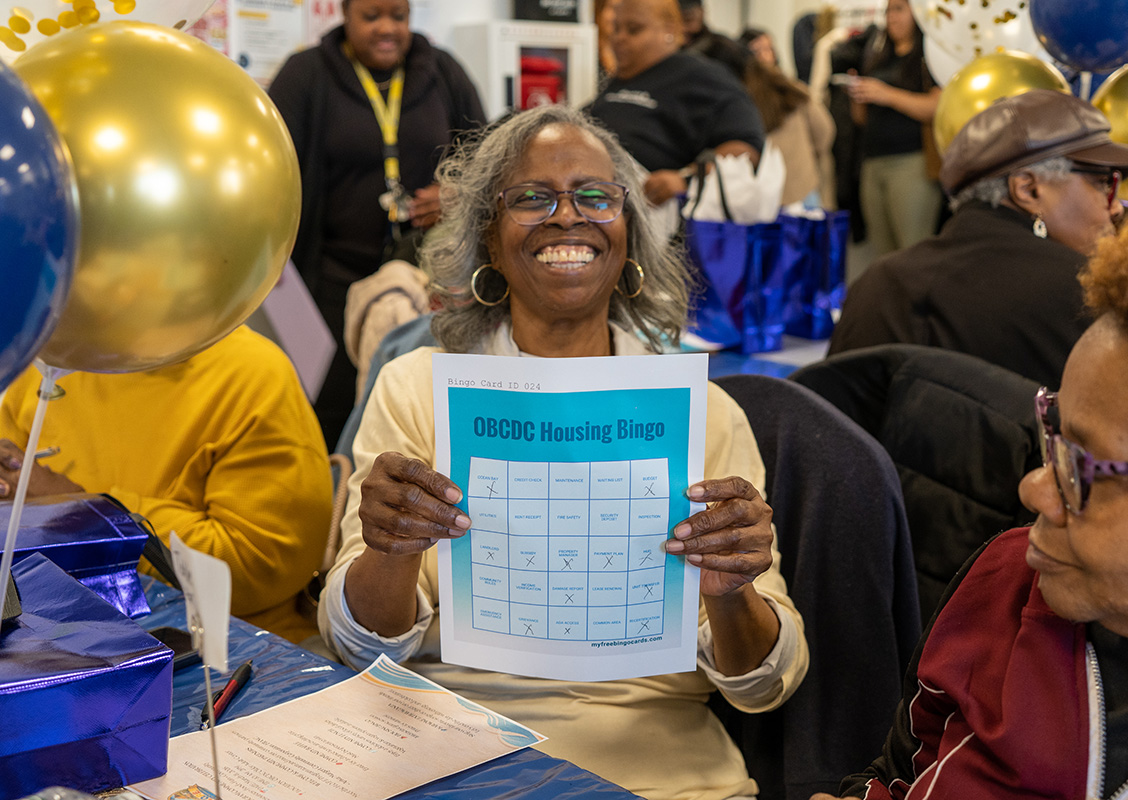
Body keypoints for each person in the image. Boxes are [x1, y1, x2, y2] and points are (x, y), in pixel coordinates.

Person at [317, 104, 808, 800]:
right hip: (447, 757)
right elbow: (355, 647)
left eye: (596, 197)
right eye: (531, 198)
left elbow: (767, 685)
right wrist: (388, 554)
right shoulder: (418, 392)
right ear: (489, 237)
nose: (567, 216)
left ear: (630, 235)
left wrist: (731, 594)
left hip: (656, 769)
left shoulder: (703, 414)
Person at [811, 182, 1128, 800]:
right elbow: (897, 772)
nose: (1033, 487)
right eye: (1054, 435)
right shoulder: (1006, 581)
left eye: (1086, 469)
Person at [0, 326, 332, 644]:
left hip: (228, 646)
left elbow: (256, 566)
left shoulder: (251, 373)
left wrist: (81, 511)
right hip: (47, 631)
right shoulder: (48, 358)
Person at [269, 0, 485, 450]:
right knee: (328, 416)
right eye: (372, 17)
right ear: (344, 16)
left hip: (422, 284)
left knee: (411, 411)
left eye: (399, 17)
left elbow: (486, 161)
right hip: (329, 280)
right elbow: (274, 169)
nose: (387, 29)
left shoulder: (443, 71)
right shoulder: (306, 74)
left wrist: (458, 193)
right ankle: (331, 512)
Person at [827, 89, 1128, 389]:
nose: (1115, 208)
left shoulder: (877, 283)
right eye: (1102, 183)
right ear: (1027, 188)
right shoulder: (1087, 294)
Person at [586, 0, 766, 207]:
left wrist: (686, 179)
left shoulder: (702, 77)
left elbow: (746, 148)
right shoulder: (614, 83)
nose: (619, 38)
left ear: (669, 31)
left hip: (651, 211)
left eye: (634, 30)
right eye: (615, 29)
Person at [847, 0, 941, 255]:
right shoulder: (877, 56)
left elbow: (934, 108)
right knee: (883, 254)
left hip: (911, 162)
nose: (892, 17)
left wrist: (886, 94)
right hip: (873, 162)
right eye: (888, 11)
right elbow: (862, 120)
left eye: (899, 9)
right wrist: (857, 96)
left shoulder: (928, 58)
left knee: (912, 251)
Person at [740, 52, 835, 208]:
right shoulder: (794, 93)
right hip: (804, 185)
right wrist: (813, 155)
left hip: (765, 198)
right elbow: (825, 130)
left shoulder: (742, 105)